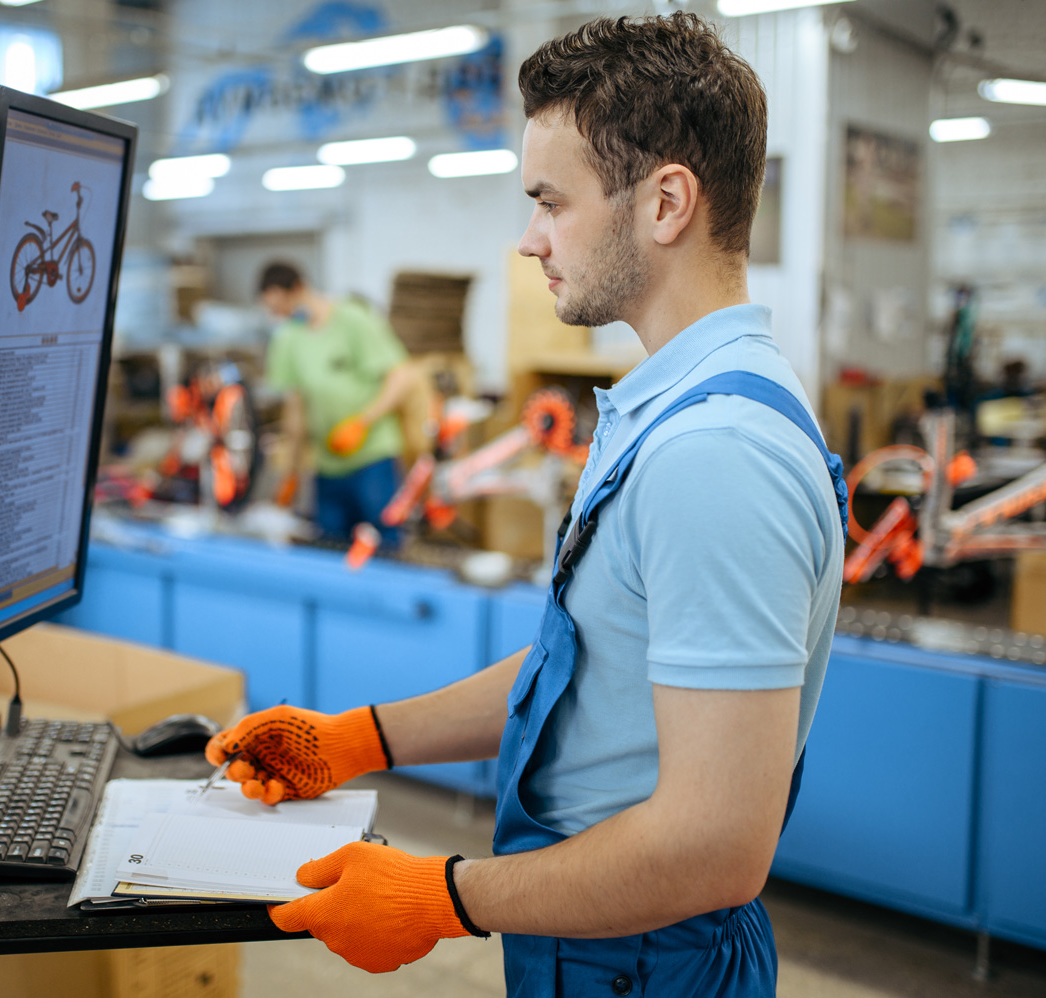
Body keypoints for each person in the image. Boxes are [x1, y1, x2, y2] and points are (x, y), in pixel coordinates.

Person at [210, 14, 846, 996]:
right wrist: (357, 740)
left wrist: (444, 894)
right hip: (599, 934)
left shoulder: (714, 454)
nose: (528, 239)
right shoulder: (670, 408)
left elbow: (715, 847)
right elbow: (589, 663)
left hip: (647, 959)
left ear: (666, 202)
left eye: (551, 202)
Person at [259, 262, 418, 548]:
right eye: (274, 311)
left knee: (384, 543)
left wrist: (362, 422)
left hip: (372, 458)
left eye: (282, 306)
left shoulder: (352, 320)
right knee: (331, 546)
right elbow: (295, 411)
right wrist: (291, 474)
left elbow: (401, 376)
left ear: (298, 288)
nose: (281, 315)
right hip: (327, 465)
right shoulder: (289, 339)